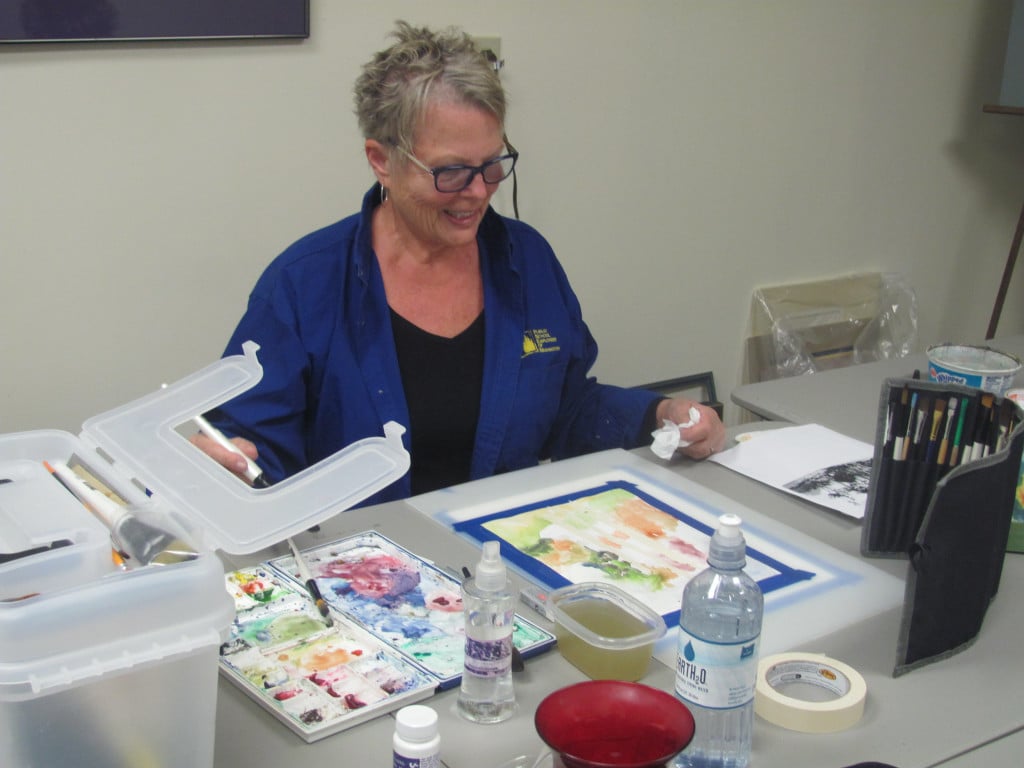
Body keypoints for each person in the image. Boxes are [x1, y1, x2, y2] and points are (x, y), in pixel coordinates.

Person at [196, 20, 724, 506]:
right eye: (450, 172)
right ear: (382, 160)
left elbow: (566, 410)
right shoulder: (303, 285)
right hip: (361, 572)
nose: (477, 194)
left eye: (492, 165)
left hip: (493, 558)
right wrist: (226, 463)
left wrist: (661, 416)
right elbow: (253, 447)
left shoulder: (526, 259)